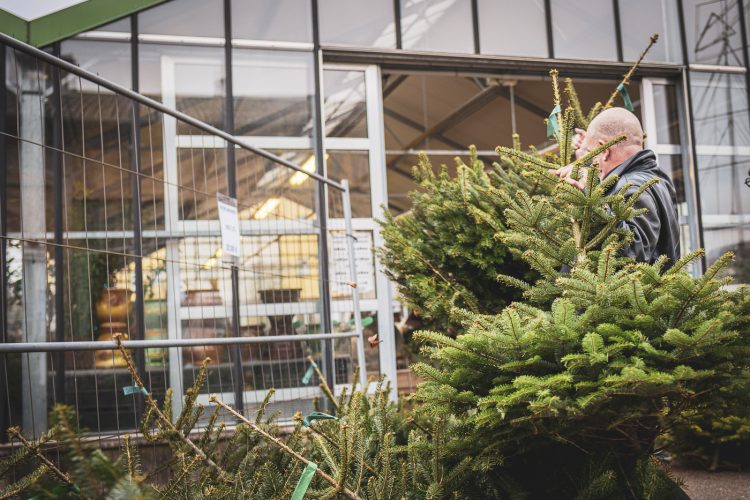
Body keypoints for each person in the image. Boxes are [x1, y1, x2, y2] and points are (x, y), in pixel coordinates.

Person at [549, 107, 680, 265]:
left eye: (592, 153)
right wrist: (588, 148)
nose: (592, 166)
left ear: (604, 151)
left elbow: (632, 254)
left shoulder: (630, 186)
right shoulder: (658, 179)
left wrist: (591, 197)